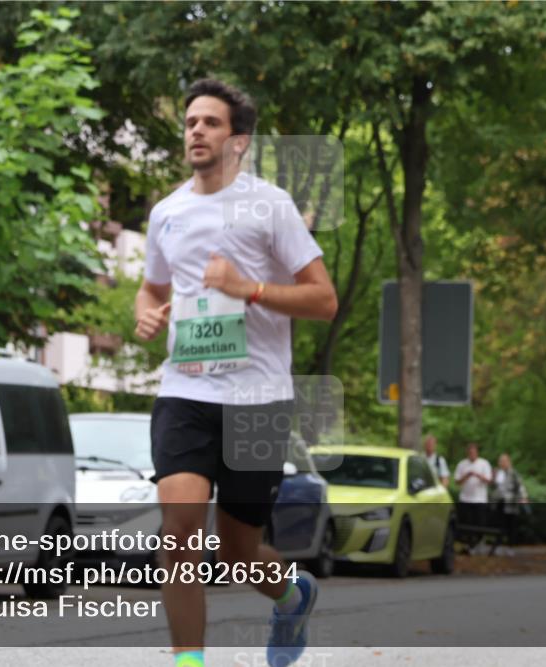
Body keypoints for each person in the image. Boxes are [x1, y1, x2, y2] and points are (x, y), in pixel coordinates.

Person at [134, 78, 338, 667]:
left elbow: (323, 301)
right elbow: (151, 286)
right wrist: (147, 315)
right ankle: (188, 661)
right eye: (191, 122)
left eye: (211, 122)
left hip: (258, 397)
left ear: (239, 140)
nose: (196, 130)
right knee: (177, 533)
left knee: (237, 551)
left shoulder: (268, 205)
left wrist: (246, 288)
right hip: (185, 389)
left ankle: (293, 593)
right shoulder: (166, 212)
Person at [454, 443, 492, 553]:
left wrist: (477, 475)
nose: (472, 454)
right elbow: (457, 481)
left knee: (479, 523)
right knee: (467, 524)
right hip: (465, 499)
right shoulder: (462, 464)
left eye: (473, 452)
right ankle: (467, 545)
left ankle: (478, 544)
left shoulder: (484, 464)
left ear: (477, 452)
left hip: (480, 499)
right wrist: (467, 475)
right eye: (470, 452)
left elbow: (489, 480)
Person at [491, 453, 528, 556]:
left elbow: (520, 486)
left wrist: (523, 497)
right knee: (499, 525)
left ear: (508, 462)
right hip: (499, 503)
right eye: (500, 461)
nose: (501, 463)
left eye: (503, 461)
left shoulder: (514, 473)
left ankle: (510, 547)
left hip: (511, 503)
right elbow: (494, 487)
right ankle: (498, 546)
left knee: (511, 526)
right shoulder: (498, 473)